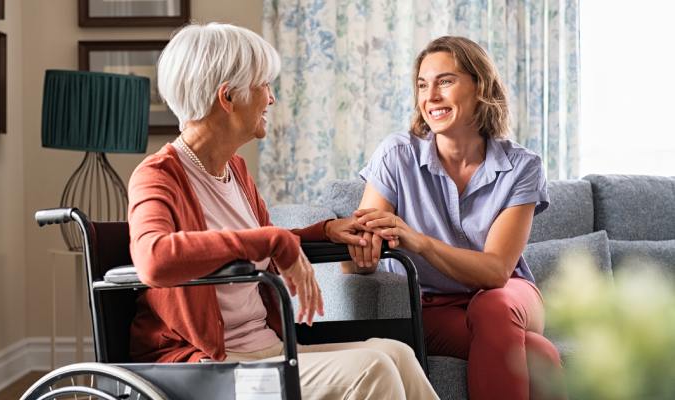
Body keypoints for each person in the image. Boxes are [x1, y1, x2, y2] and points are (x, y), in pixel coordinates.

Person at [127, 22, 439, 400]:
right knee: (372, 370)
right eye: (264, 86)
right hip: (210, 367)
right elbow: (154, 260)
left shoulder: (236, 172)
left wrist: (323, 232)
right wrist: (272, 238)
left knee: (396, 353)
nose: (271, 99)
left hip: (267, 350)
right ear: (227, 97)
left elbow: (257, 246)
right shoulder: (158, 176)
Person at [345, 36, 566, 400]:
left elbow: (496, 272)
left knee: (492, 305)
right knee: (538, 354)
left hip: (509, 296)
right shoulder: (396, 155)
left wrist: (419, 241)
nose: (430, 96)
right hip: (432, 306)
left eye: (445, 81)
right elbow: (361, 249)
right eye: (422, 85)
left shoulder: (522, 166)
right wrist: (363, 252)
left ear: (480, 86)